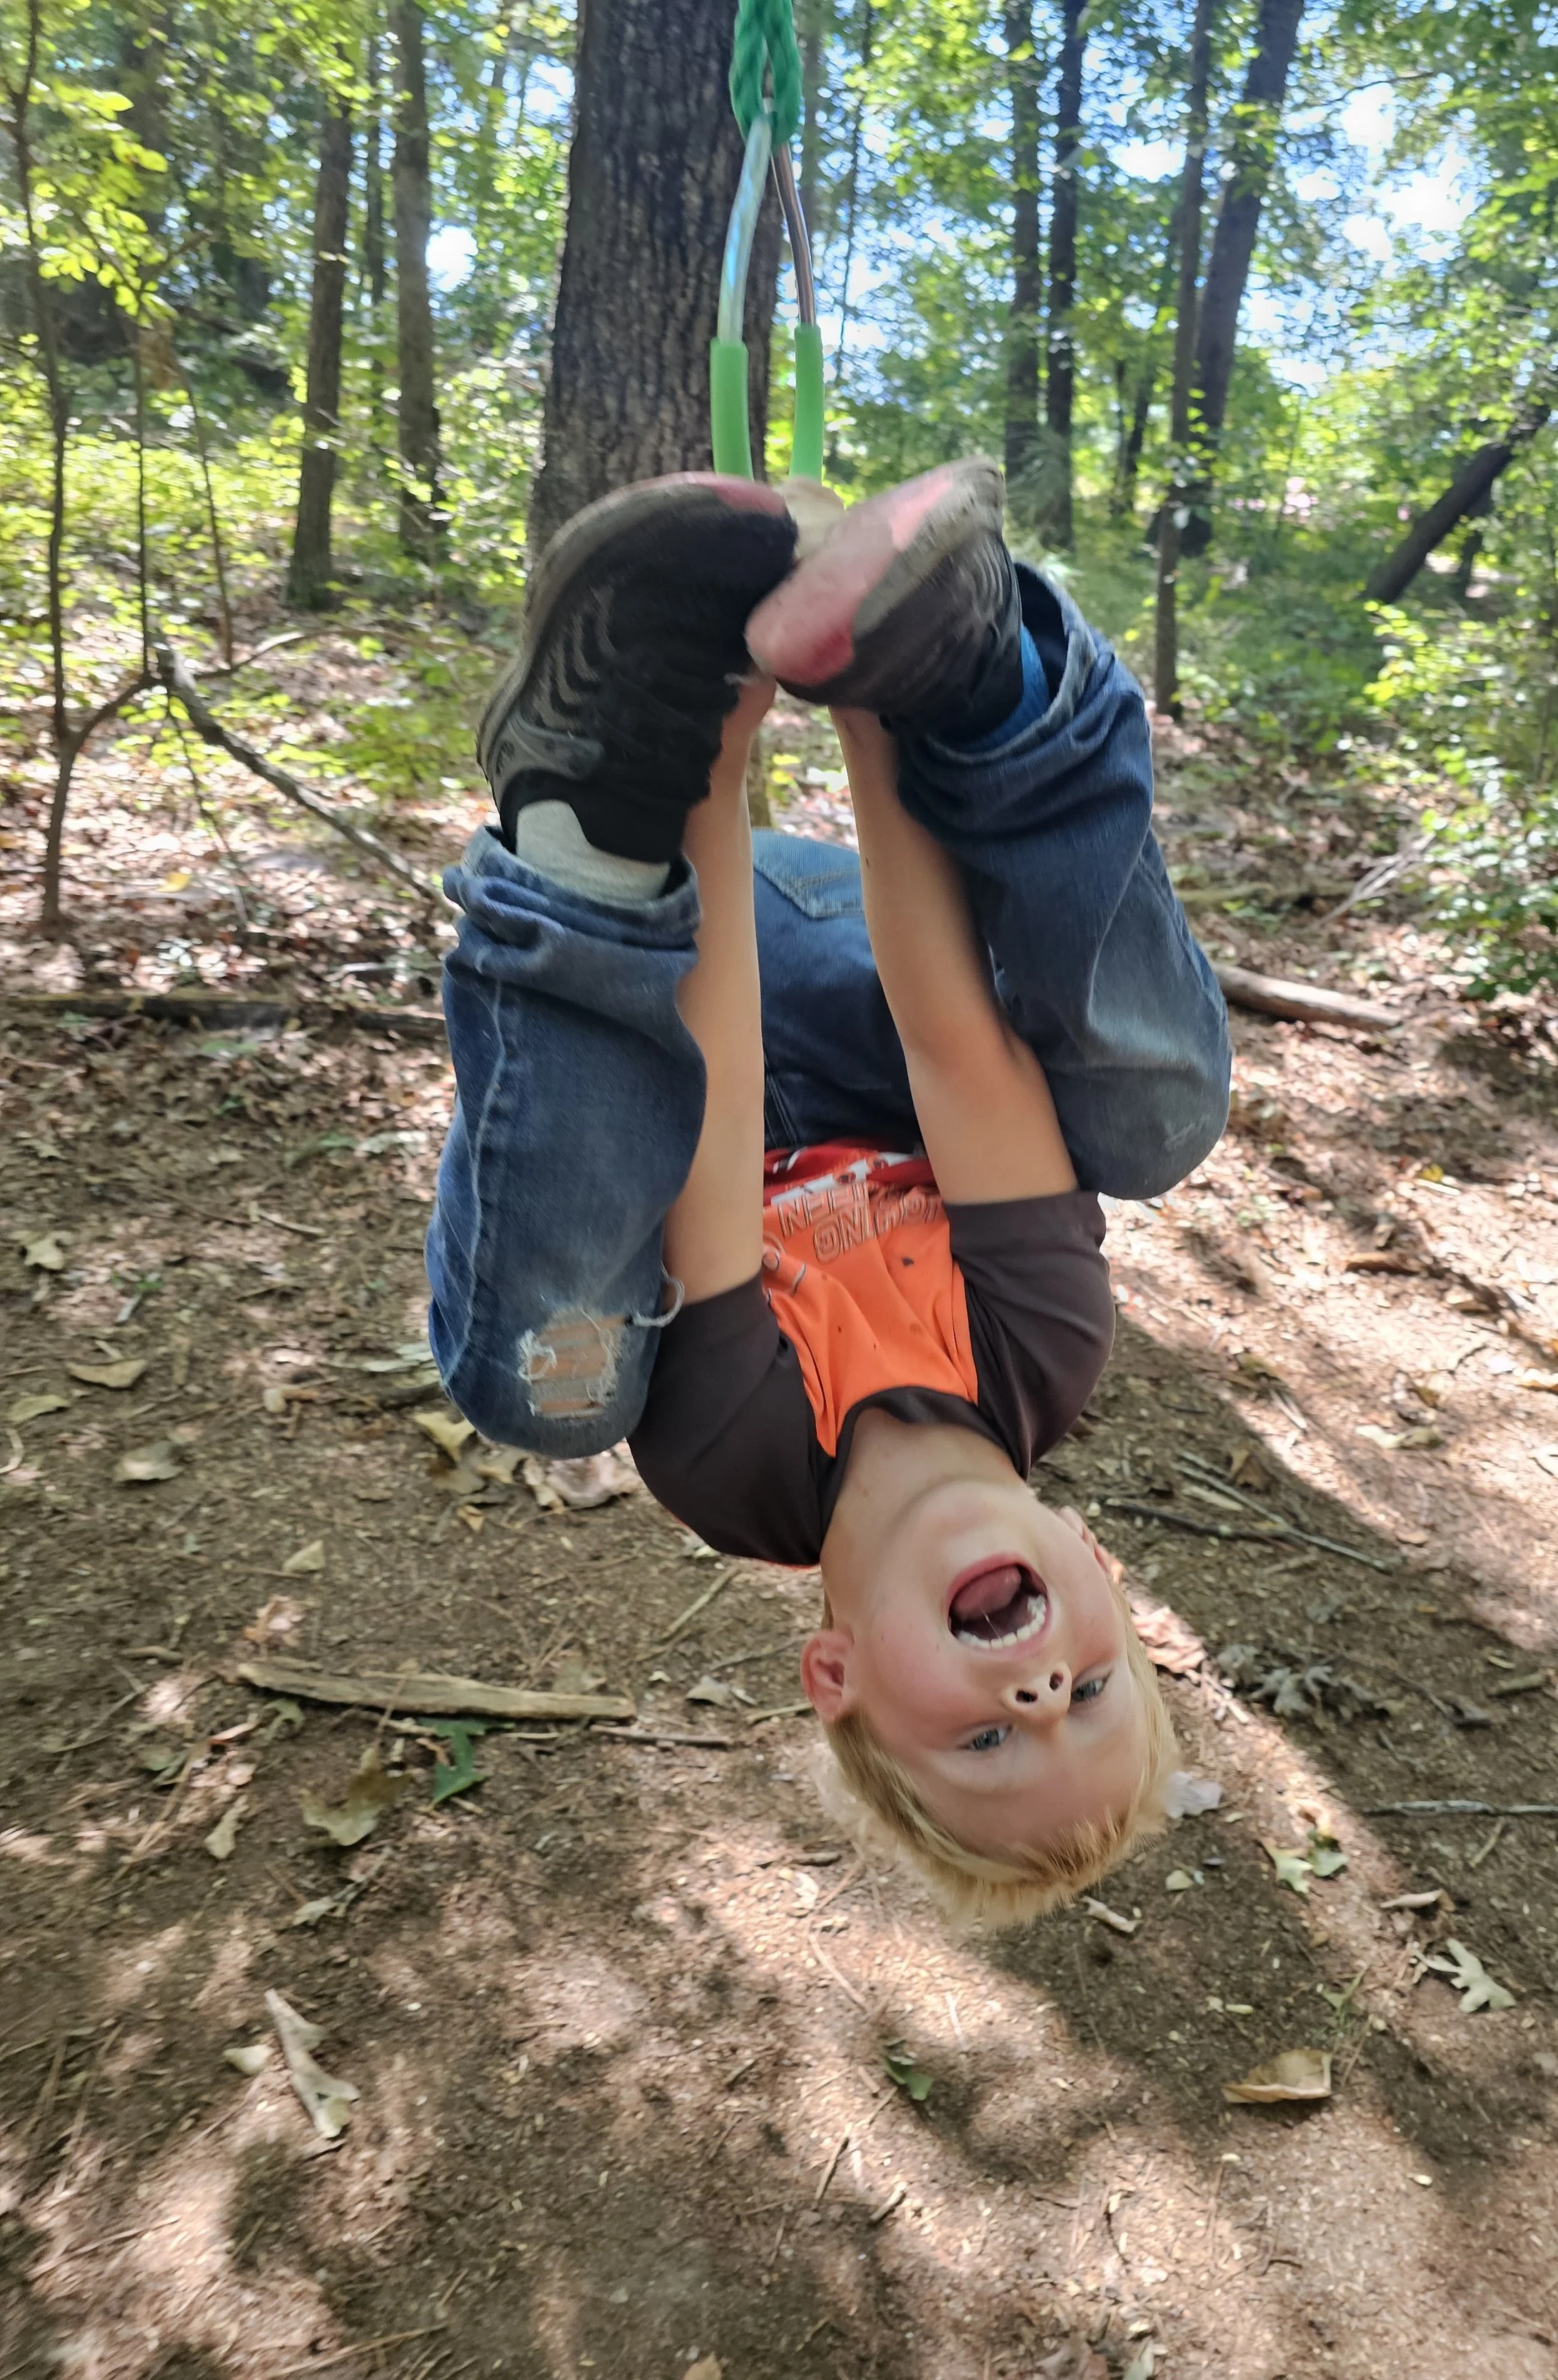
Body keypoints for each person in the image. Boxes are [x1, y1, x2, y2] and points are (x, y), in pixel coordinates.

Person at [426, 458, 1230, 1924]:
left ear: (836, 1674)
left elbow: (711, 1104)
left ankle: (596, 807)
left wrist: (711, 748)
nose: (1038, 1690)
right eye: (1094, 1689)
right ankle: (990, 691)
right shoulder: (1043, 1353)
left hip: (669, 1001)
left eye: (987, 1741)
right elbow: (952, 1040)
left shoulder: (733, 1468)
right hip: (844, 966)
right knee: (1161, 1122)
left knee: (547, 1387)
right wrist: (876, 701)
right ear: (1101, 1572)